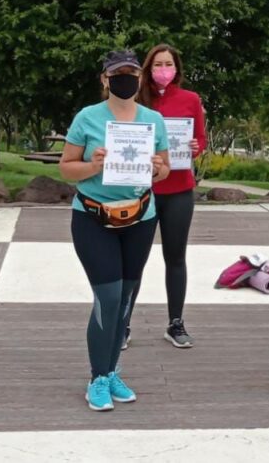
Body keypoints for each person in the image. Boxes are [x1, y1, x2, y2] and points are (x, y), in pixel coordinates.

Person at [59, 50, 171, 413]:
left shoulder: (153, 120)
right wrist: (92, 165)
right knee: (107, 298)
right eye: (118, 74)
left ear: (140, 78)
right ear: (106, 79)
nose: (126, 79)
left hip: (140, 217)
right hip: (93, 218)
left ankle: (111, 370)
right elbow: (67, 169)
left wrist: (156, 168)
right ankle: (97, 377)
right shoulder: (88, 118)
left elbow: (165, 170)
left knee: (126, 300)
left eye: (132, 73)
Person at [127, 43, 207, 349]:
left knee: (176, 257)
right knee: (134, 260)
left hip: (179, 190)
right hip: (142, 190)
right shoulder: (137, 99)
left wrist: (196, 147)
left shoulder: (190, 99)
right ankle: (123, 322)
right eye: (157, 64)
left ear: (177, 68)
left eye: (168, 64)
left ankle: (176, 323)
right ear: (148, 68)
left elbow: (199, 138)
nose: (163, 70)